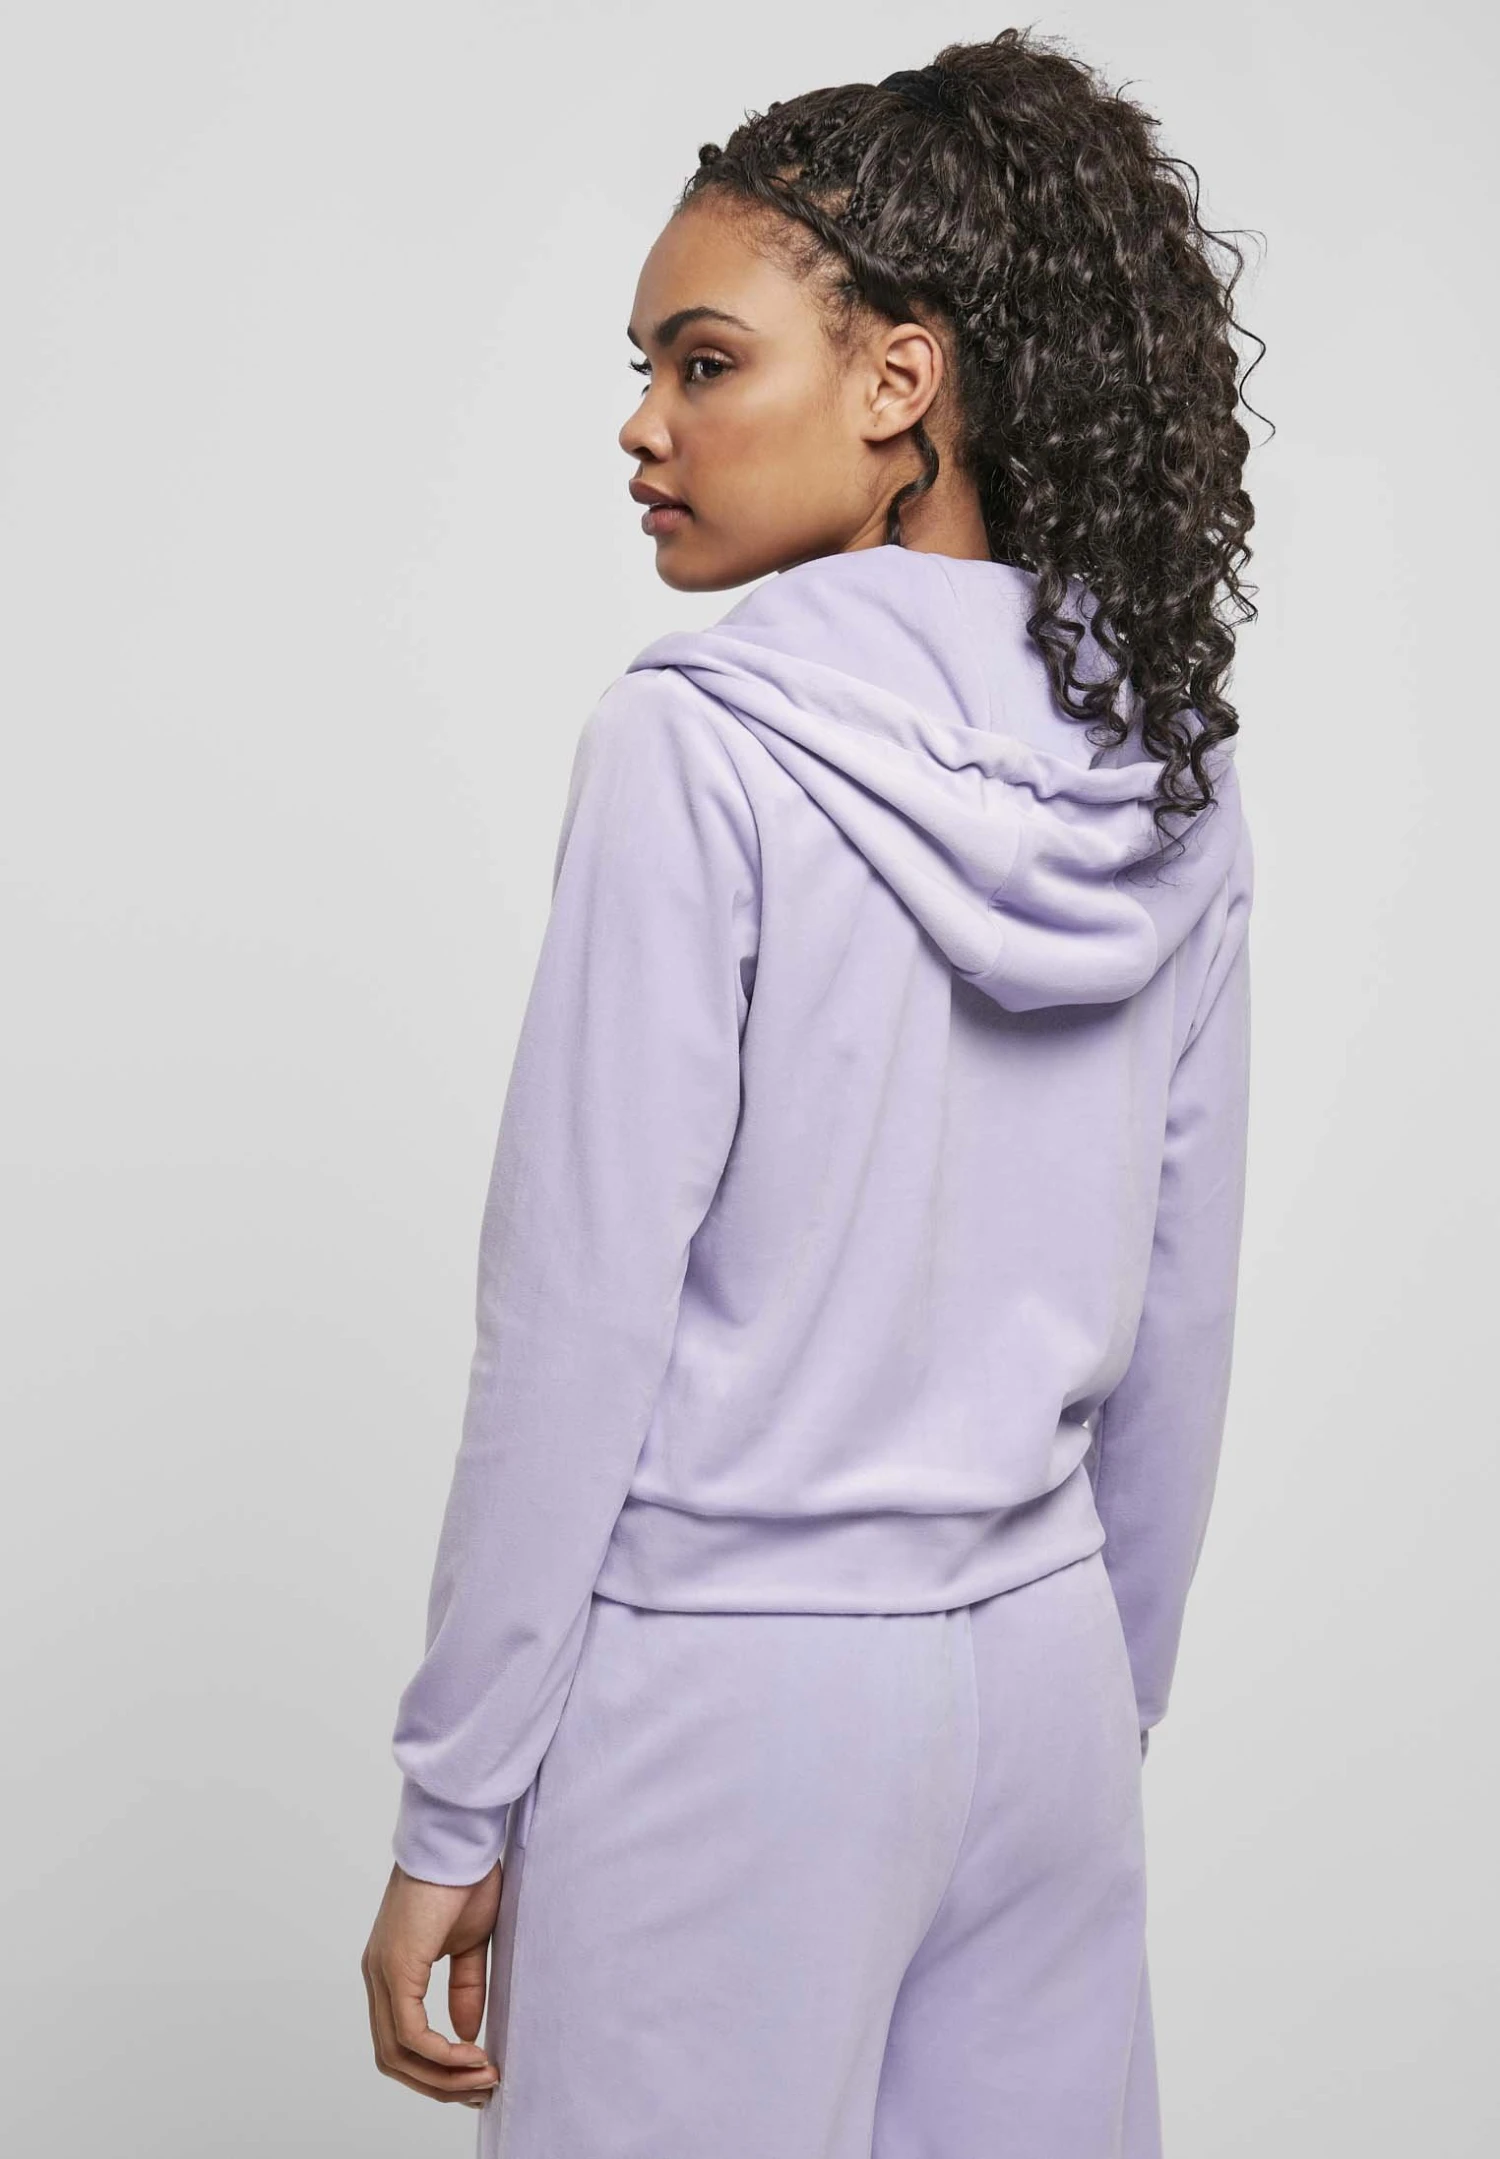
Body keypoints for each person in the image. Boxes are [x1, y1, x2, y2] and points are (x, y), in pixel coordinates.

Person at [361, 27, 1260, 2158]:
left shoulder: (698, 742)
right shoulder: (1167, 771)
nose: (644, 425)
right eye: (648, 372)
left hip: (728, 1694)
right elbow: (1183, 1311)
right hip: (1044, 1679)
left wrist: (454, 1800)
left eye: (704, 364)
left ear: (899, 384)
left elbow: (574, 1318)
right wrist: (1093, 1694)